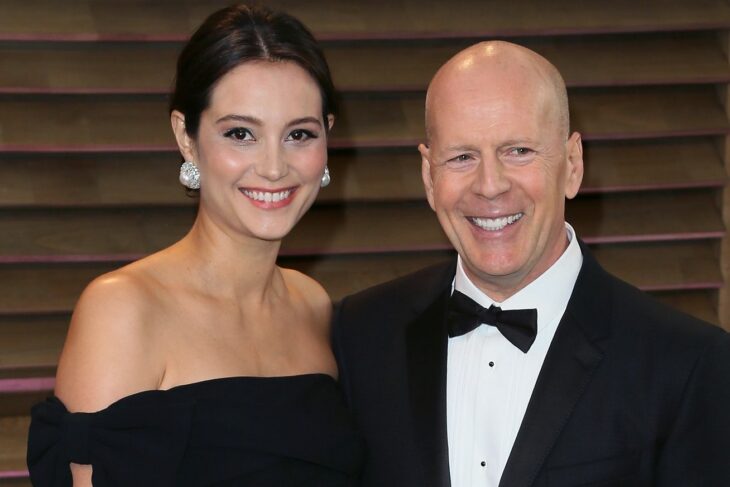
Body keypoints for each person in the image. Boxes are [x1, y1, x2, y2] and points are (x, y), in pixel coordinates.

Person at [332, 41, 730, 486]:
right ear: (429, 177)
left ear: (573, 165)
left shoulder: (688, 363)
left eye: (518, 150)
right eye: (462, 156)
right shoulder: (360, 334)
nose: (489, 186)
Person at [27, 4, 363, 486]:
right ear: (186, 137)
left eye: (298, 135)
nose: (273, 167)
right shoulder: (123, 307)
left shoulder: (313, 306)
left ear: (327, 139)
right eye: (241, 134)